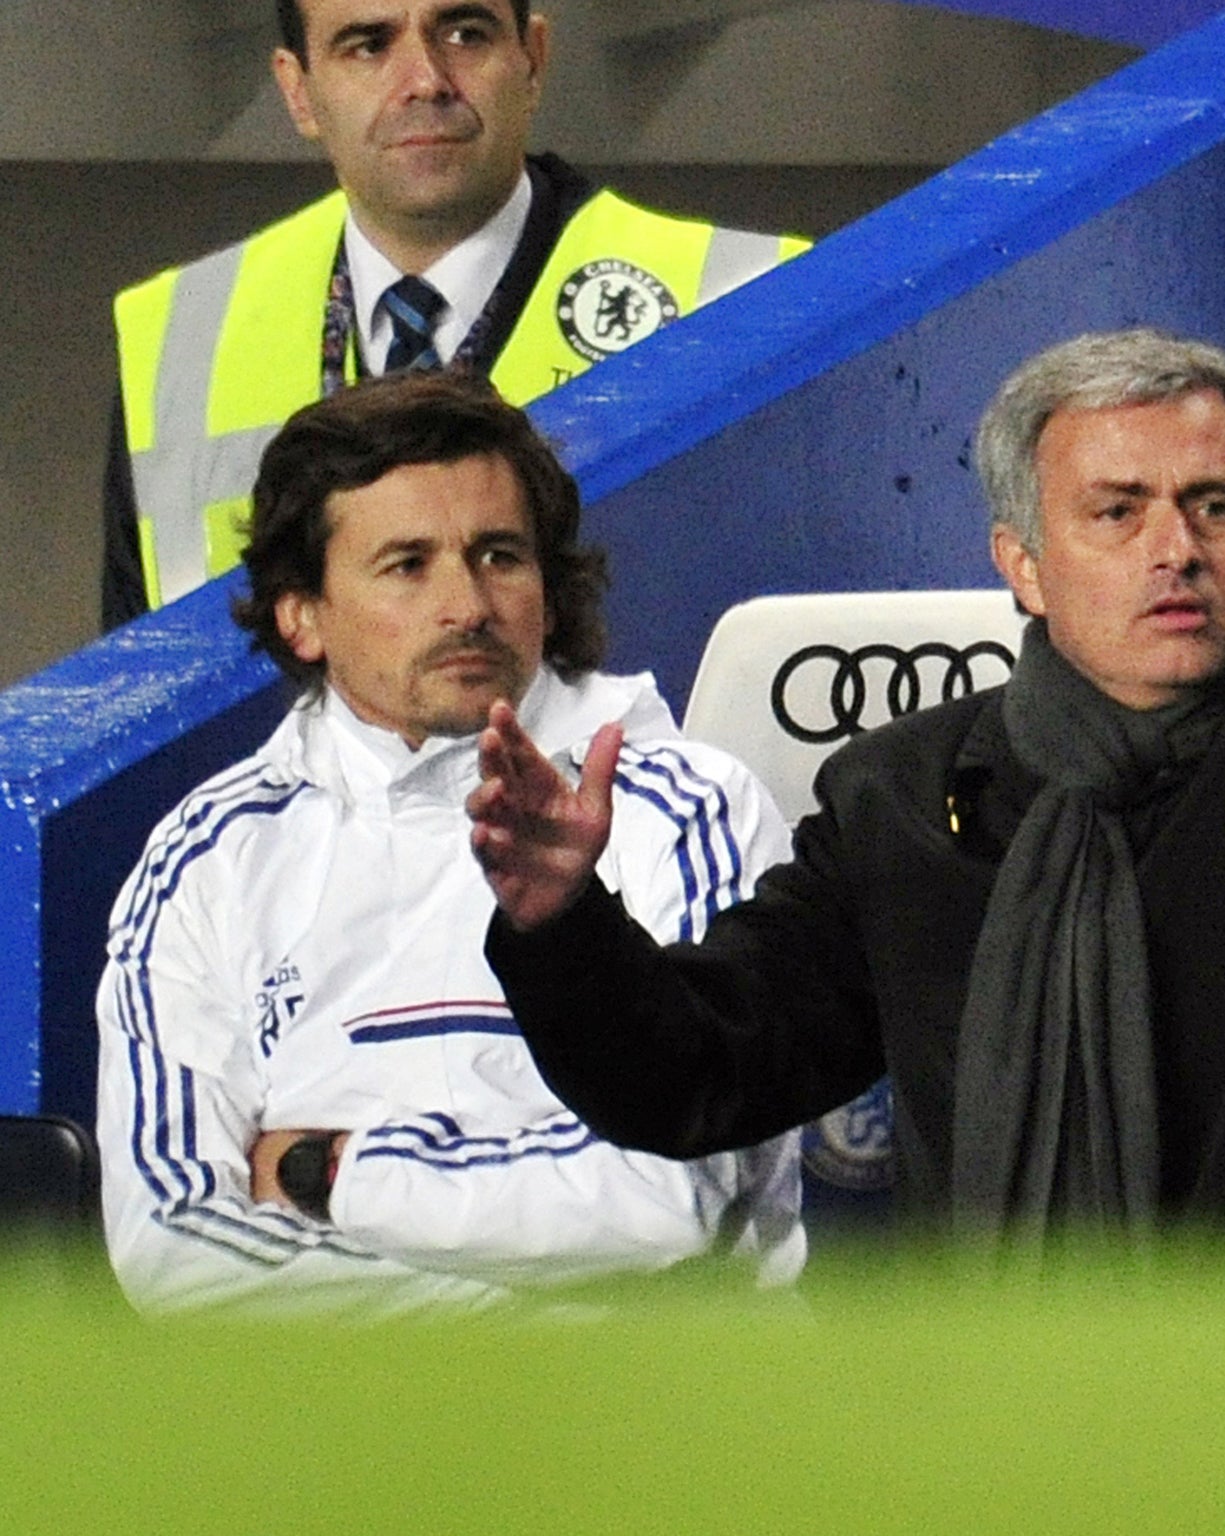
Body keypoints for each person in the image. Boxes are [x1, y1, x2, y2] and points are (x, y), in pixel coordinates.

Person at [470, 212, 1225, 1238]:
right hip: (1059, 1448)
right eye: (1117, 512)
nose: (1176, 548)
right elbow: (698, 1070)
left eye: (1213, 506)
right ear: (1023, 562)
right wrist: (561, 926)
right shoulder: (906, 803)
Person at [95, 372, 803, 1315]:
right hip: (342, 1437)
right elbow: (174, 1247)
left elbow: (665, 1196)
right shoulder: (208, 857)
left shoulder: (692, 808)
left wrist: (330, 1172)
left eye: (499, 556)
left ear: (549, 590)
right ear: (300, 614)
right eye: (407, 564)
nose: (466, 603)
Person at [102, 0, 808, 627]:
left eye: (465, 33)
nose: (426, 81)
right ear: (298, 91)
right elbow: (128, 706)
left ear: (533, 59)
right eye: (369, 45)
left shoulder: (752, 296)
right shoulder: (179, 335)